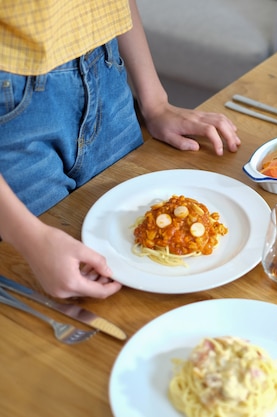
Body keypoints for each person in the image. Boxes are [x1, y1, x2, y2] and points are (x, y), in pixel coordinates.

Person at [0, 0, 241, 299]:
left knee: (141, 279)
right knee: (72, 294)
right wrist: (31, 239)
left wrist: (154, 102)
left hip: (107, 74)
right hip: (12, 109)